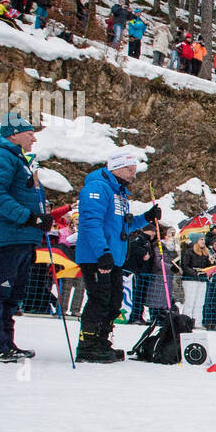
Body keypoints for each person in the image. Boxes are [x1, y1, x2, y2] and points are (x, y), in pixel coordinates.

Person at [0, 114, 51, 361]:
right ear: (14, 134)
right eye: (30, 133)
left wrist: (40, 216)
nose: (34, 138)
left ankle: (5, 341)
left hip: (23, 235)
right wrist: (27, 217)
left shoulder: (17, 158)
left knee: (13, 293)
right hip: (8, 234)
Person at [74, 152, 160, 362]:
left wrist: (146, 218)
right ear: (116, 168)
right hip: (98, 257)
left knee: (113, 301)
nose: (133, 175)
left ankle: (101, 340)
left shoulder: (120, 194)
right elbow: (91, 223)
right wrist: (102, 253)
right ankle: (88, 344)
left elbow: (124, 225)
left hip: (115, 257)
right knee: (99, 299)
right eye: (129, 170)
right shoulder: (98, 187)